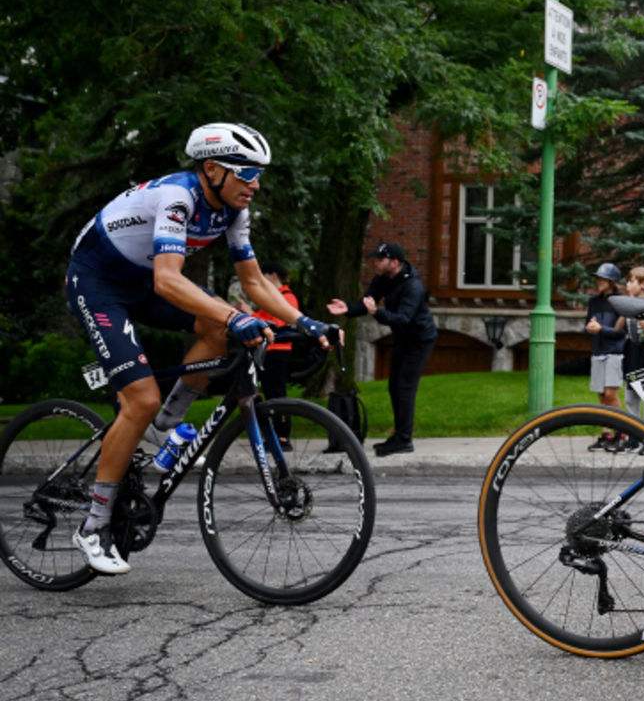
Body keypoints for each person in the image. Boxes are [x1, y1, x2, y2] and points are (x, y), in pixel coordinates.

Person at [65, 122, 332, 575]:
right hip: (99, 283)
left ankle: (163, 425)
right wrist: (234, 314)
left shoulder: (232, 212)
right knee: (141, 397)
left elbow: (252, 283)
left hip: (142, 281)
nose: (255, 184)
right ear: (212, 169)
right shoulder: (179, 197)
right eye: (246, 172)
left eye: (259, 174)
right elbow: (168, 279)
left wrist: (303, 322)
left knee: (216, 331)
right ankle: (93, 526)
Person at [327, 241, 437, 457]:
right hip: (403, 339)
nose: (375, 263)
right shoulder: (383, 279)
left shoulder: (412, 286)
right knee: (394, 386)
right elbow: (367, 303)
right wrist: (348, 308)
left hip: (419, 340)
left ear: (394, 262)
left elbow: (403, 319)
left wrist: (377, 313)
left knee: (404, 387)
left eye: (380, 259)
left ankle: (404, 440)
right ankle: (399, 436)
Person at [251, 262, 300, 448]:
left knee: (277, 393)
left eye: (263, 277)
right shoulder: (274, 297)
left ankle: (283, 436)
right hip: (269, 351)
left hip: (279, 351)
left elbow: (280, 323)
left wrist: (252, 315)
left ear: (272, 275)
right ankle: (275, 435)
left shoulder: (286, 297)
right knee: (270, 394)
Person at [585, 262, 629, 451]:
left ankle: (623, 431)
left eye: (602, 278)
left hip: (614, 351)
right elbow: (587, 324)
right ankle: (606, 433)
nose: (598, 281)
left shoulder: (620, 302)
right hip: (598, 351)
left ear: (612, 281)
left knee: (611, 393)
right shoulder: (594, 302)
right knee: (601, 395)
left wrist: (602, 329)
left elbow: (622, 332)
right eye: (598, 278)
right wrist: (589, 328)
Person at [616, 265, 644, 435]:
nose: (627, 285)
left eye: (631, 282)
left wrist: (636, 312)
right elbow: (618, 327)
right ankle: (634, 435)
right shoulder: (630, 304)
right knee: (630, 397)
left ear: (643, 284)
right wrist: (625, 309)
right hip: (632, 354)